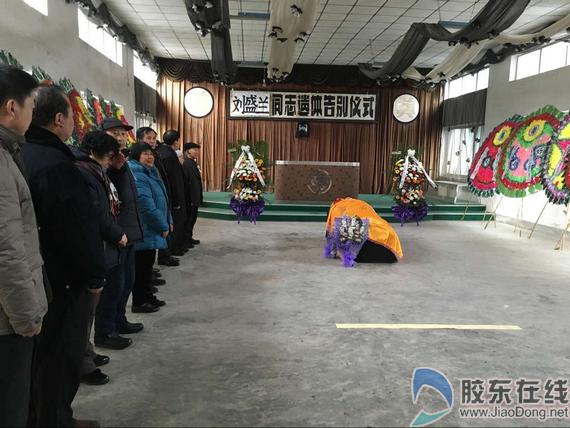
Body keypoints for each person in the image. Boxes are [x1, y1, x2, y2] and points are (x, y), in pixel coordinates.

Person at [23, 84, 106, 428]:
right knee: (60, 357)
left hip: (40, 275)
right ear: (59, 119)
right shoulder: (56, 165)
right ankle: (56, 419)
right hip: (62, 281)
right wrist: (95, 275)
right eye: (72, 115)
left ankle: (47, 417)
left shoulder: (24, 153)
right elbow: (76, 228)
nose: (74, 122)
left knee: (40, 360)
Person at [0, 65, 47, 428]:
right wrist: (26, 315)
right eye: (31, 105)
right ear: (11, 107)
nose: (33, 114)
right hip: (7, 321)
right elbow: (6, 248)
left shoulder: (8, 154)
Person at [75, 131, 130, 387]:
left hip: (104, 246)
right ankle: (83, 365)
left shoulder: (98, 171)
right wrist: (116, 233)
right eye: (108, 156)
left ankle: (87, 355)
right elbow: (96, 212)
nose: (110, 161)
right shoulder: (83, 172)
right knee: (84, 313)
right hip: (94, 247)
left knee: (91, 309)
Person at [104, 118, 148, 321]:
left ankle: (120, 320)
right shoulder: (104, 162)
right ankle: (107, 329)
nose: (120, 137)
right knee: (114, 285)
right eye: (115, 133)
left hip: (129, 231)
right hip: (117, 234)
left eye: (123, 133)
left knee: (127, 281)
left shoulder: (123, 160)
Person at [128, 143, 172, 312]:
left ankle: (148, 297)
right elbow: (146, 206)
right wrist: (163, 224)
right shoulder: (137, 175)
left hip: (152, 228)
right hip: (145, 229)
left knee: (147, 268)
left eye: (151, 154)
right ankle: (140, 302)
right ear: (136, 156)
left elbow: (162, 199)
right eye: (145, 154)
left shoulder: (150, 172)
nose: (150, 157)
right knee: (141, 268)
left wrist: (169, 220)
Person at [136, 126, 180, 267]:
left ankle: (153, 270)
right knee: (144, 254)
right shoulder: (137, 167)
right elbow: (145, 203)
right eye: (148, 138)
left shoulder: (157, 157)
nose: (152, 141)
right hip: (148, 213)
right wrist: (163, 223)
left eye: (154, 138)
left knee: (150, 252)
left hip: (160, 202)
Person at [158, 129, 187, 253]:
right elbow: (173, 179)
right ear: (176, 141)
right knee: (175, 222)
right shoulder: (170, 155)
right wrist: (176, 201)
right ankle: (173, 249)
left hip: (166, 194)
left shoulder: (161, 151)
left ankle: (171, 249)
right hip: (172, 195)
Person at [182, 142, 204, 246]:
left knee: (192, 219)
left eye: (198, 150)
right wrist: (190, 198)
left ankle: (189, 238)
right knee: (188, 220)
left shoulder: (192, 162)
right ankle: (185, 240)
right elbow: (186, 183)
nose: (197, 152)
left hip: (194, 197)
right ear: (187, 151)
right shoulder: (186, 164)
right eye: (194, 150)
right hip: (190, 198)